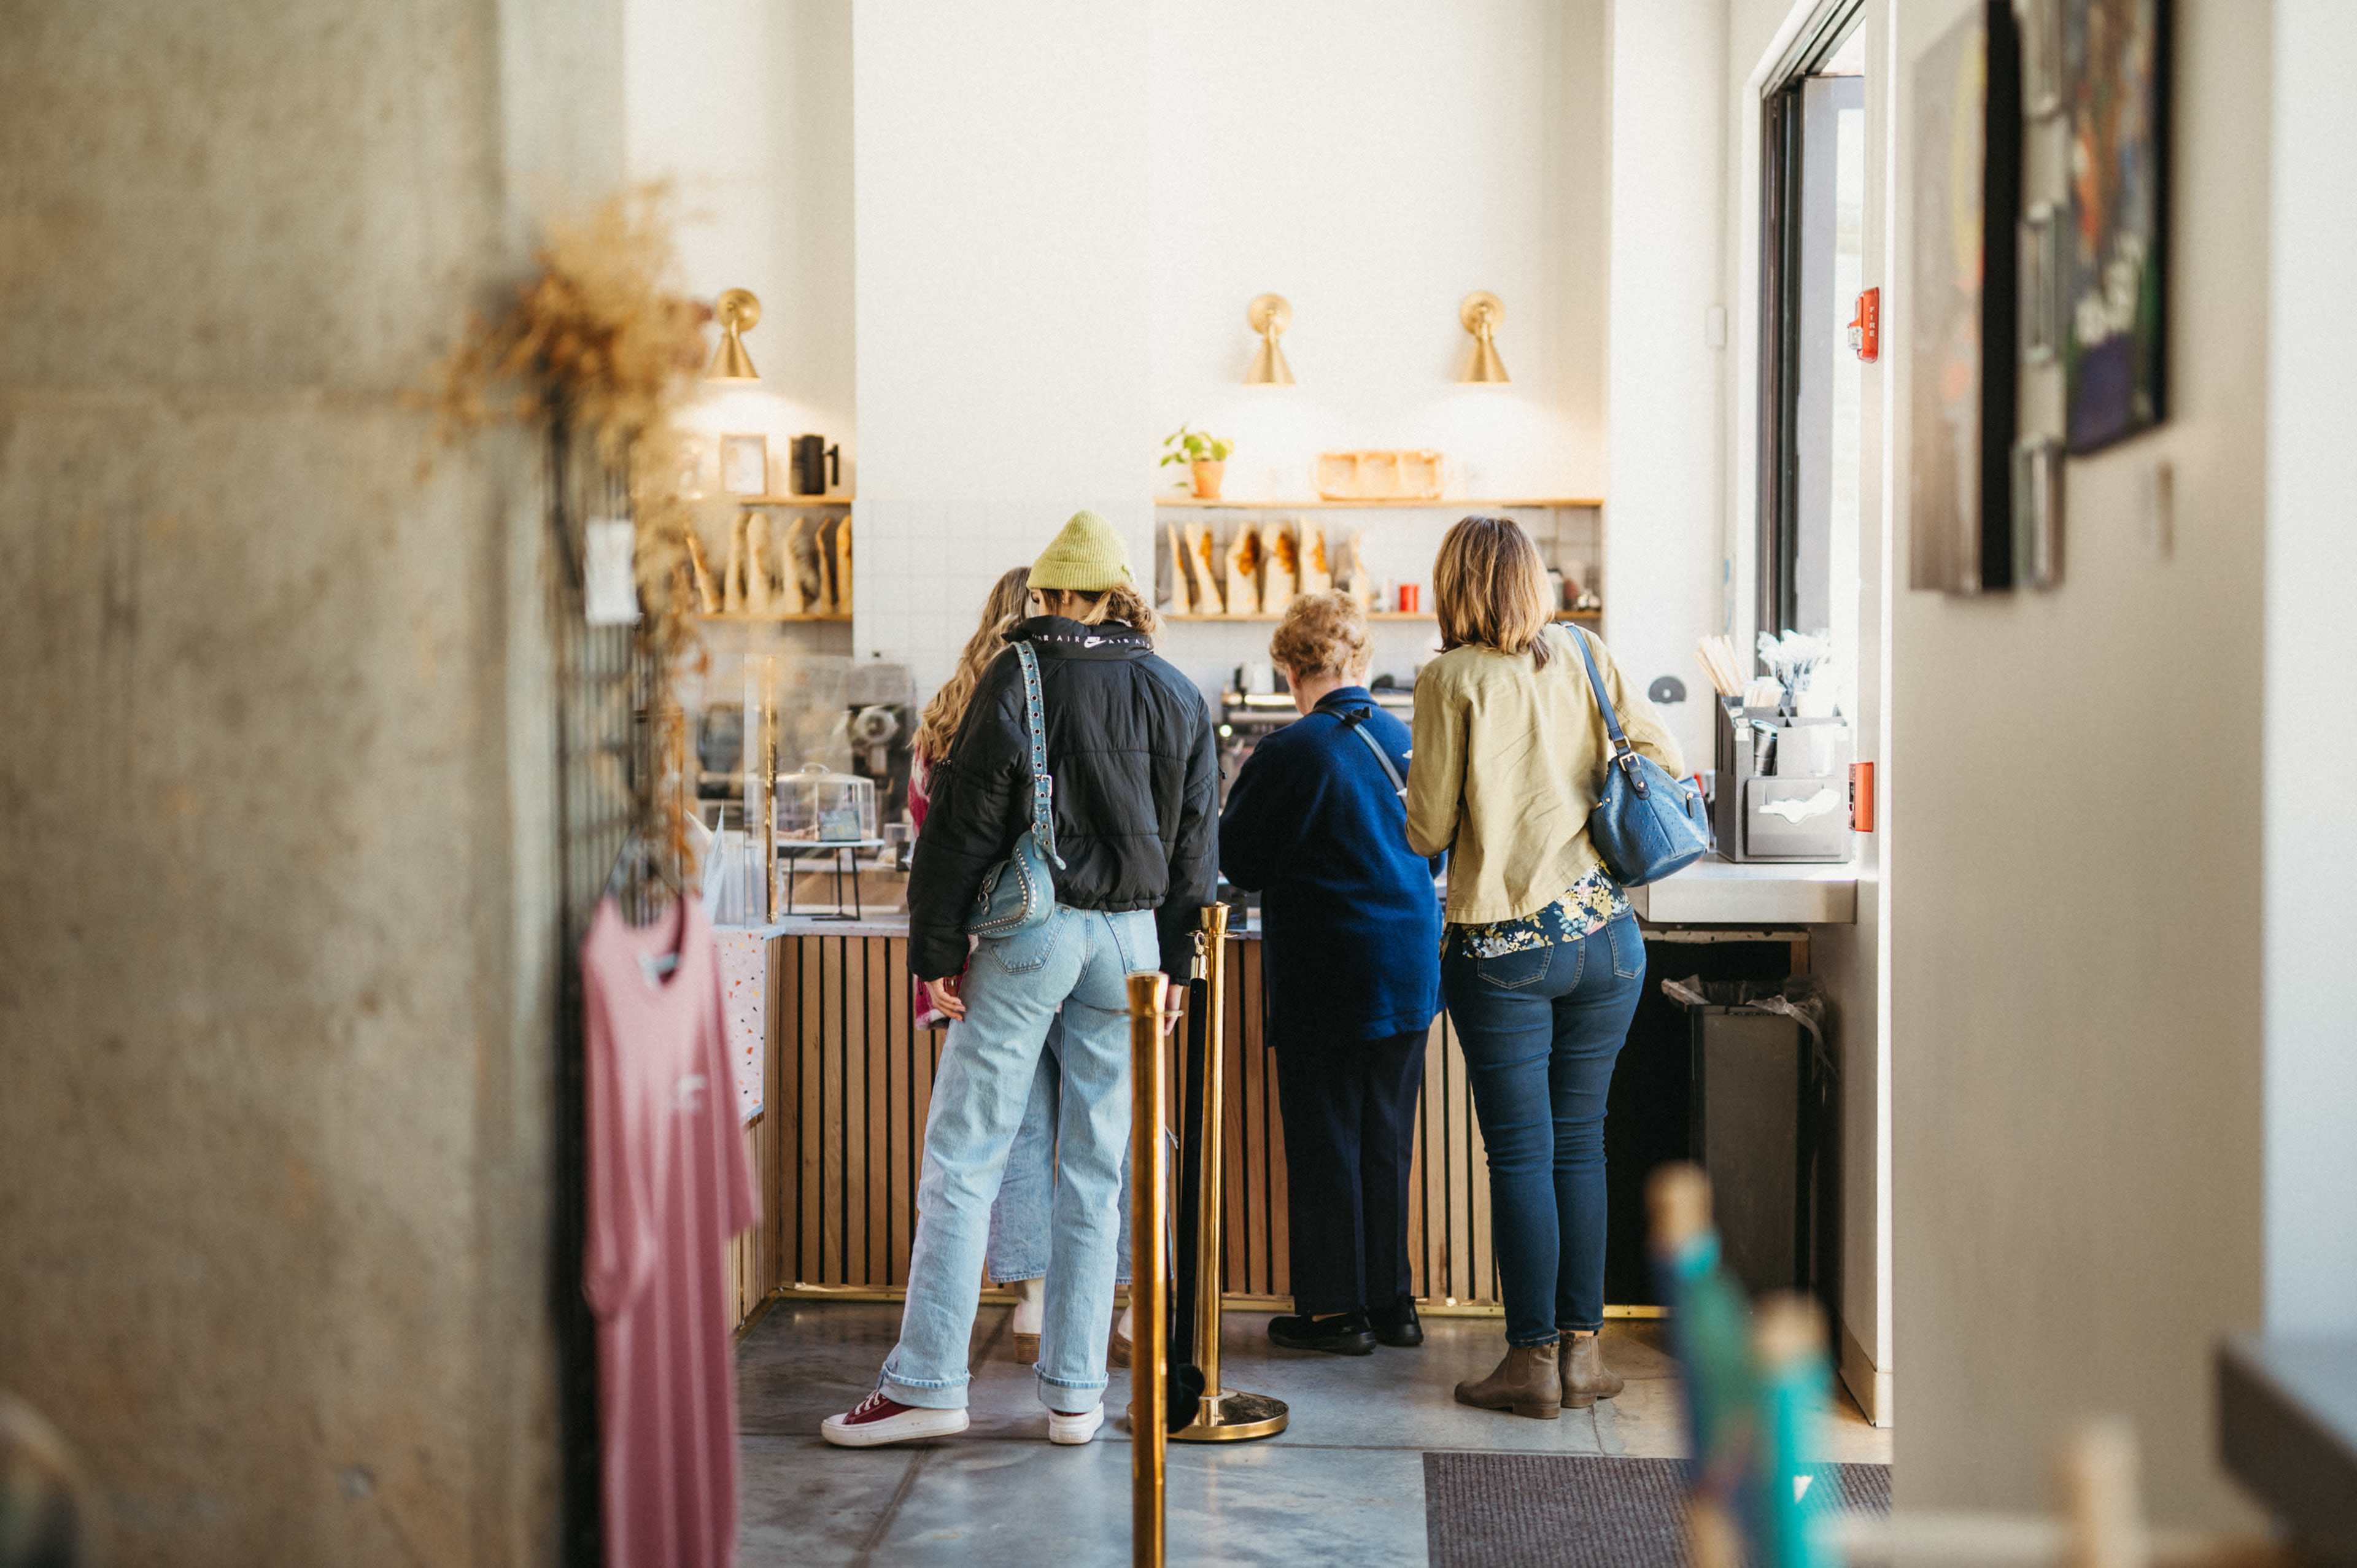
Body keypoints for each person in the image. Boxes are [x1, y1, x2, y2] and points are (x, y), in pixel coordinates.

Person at [822, 510, 1217, 1448]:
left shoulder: (1023, 673)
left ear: (1054, 596)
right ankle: (1076, 1395)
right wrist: (1182, 972)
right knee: (1098, 1166)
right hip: (1131, 945)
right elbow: (1199, 847)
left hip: (1035, 932)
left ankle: (926, 1383)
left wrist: (935, 951)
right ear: (1118, 594)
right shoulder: (1176, 688)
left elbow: (961, 824)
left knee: (965, 1158)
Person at [1404, 516, 1684, 1421]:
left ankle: (1529, 1362)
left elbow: (1427, 831)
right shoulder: (1583, 650)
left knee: (1521, 1151)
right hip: (1609, 939)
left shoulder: (1448, 678)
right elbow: (1664, 756)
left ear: (1456, 585)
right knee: (1582, 1142)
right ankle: (1583, 1353)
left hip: (1506, 949)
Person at [908, 565, 1135, 1369]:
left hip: (991, 943)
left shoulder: (947, 710)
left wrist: (938, 945)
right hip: (1091, 931)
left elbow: (937, 832)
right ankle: (1123, 1313)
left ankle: (1029, 1306)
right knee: (1107, 1132)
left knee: (1004, 1135)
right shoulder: (1097, 693)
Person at [1218, 592, 1441, 1356]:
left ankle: (1334, 1313)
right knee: (1387, 1137)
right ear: (1362, 662)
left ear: (1289, 668)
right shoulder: (1407, 738)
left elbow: (1237, 860)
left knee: (1326, 1139)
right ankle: (1394, 1304)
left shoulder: (1287, 751)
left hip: (1327, 968)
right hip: (1409, 966)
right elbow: (1435, 848)